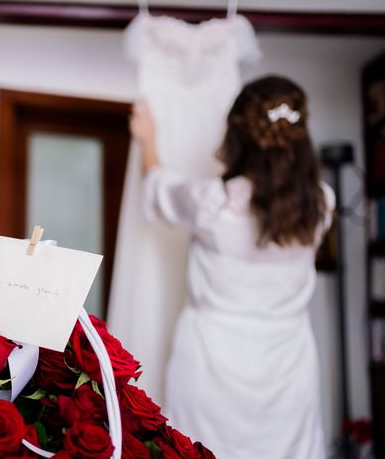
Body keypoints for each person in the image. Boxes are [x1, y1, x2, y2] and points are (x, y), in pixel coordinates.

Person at [130, 75, 334, 459]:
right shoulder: (322, 204)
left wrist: (148, 139)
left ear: (237, 136)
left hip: (211, 360)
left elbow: (158, 187)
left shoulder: (212, 203)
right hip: (288, 364)